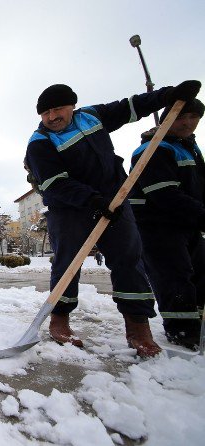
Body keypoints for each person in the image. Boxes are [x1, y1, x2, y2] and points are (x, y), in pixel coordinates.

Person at [24, 80, 200, 358]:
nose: (52, 117)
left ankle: (138, 328)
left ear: (72, 106)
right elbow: (55, 183)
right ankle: (60, 320)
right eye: (45, 113)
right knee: (67, 262)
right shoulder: (40, 142)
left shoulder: (92, 116)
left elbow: (133, 106)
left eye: (58, 109)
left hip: (115, 200)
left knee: (129, 259)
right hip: (69, 208)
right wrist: (93, 200)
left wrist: (171, 94)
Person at [129, 97, 205, 350]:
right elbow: (164, 195)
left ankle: (198, 325)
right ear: (166, 120)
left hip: (188, 224)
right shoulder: (152, 150)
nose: (188, 122)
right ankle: (183, 331)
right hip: (158, 226)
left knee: (199, 274)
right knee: (174, 277)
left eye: (193, 117)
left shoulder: (189, 148)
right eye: (180, 117)